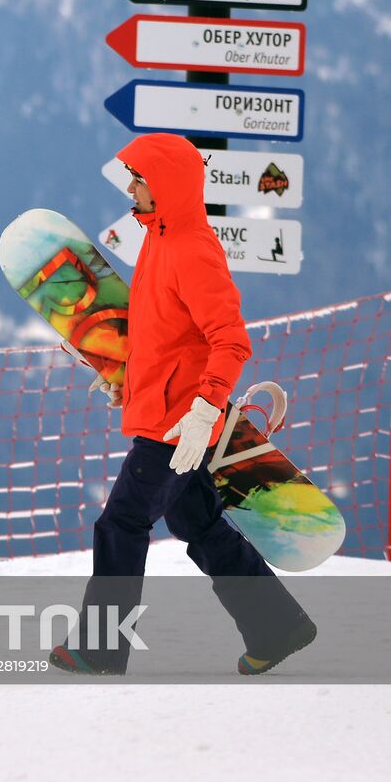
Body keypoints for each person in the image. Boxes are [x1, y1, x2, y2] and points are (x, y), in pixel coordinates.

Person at [52, 132, 314, 676]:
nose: (130, 188)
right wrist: (127, 379)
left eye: (139, 179)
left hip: (178, 425)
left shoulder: (193, 249)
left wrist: (203, 411)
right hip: (164, 412)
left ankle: (100, 648)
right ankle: (277, 625)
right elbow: (168, 336)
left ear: (166, 185)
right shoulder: (159, 238)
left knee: (121, 522)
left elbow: (230, 340)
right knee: (200, 524)